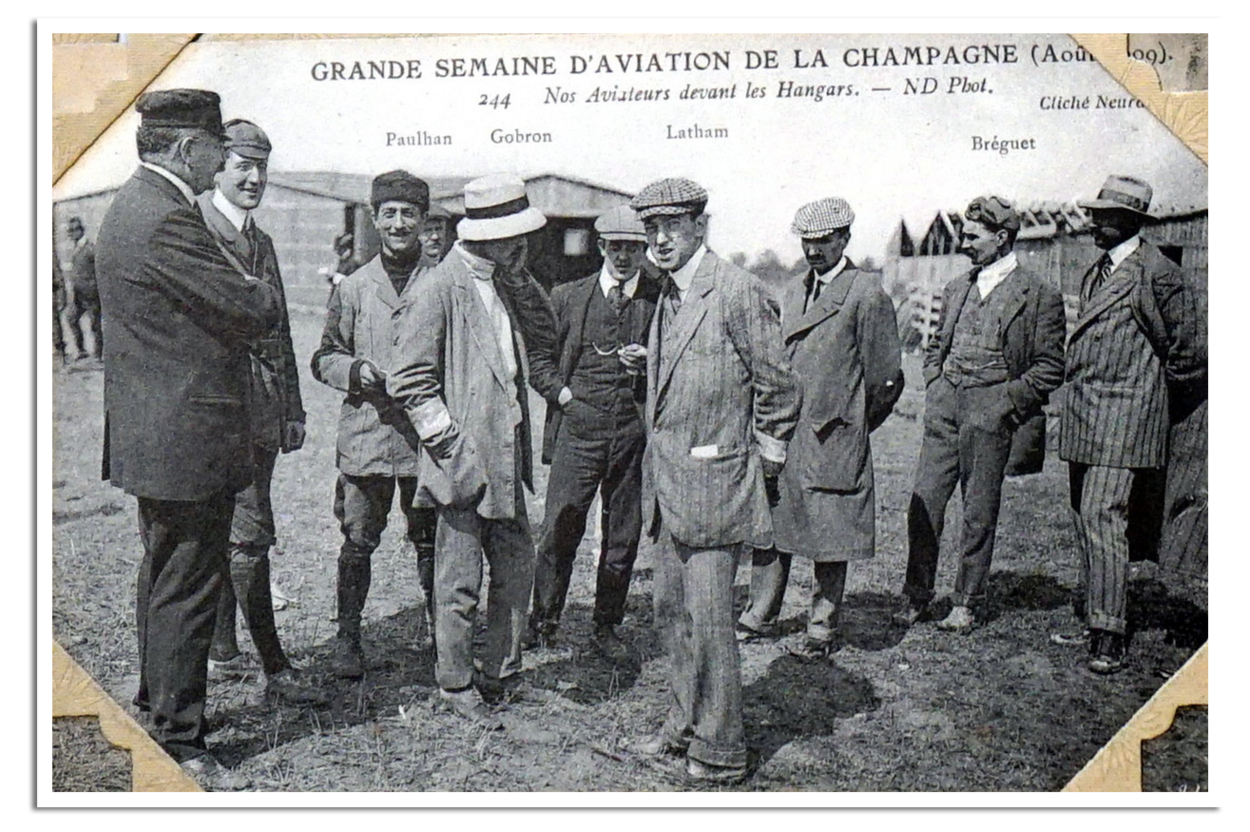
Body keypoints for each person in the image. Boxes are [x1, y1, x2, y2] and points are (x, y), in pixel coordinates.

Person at [96, 88, 279, 789]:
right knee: (188, 585)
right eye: (215, 149)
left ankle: (156, 708)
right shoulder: (167, 218)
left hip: (159, 435)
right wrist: (251, 288)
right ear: (185, 148)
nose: (221, 161)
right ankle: (179, 740)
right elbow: (253, 305)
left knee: (165, 575)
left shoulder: (134, 205)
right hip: (186, 439)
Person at [624, 178, 801, 784]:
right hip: (667, 486)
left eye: (672, 226)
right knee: (670, 613)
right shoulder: (668, 293)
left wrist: (762, 464)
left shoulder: (736, 289)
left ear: (700, 226)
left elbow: (779, 387)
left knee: (710, 622)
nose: (660, 239)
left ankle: (723, 749)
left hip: (714, 486)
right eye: (651, 228)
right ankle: (683, 724)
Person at [387, 173, 549, 730]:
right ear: (487, 234)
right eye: (513, 235)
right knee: (458, 580)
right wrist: (453, 447)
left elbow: (543, 335)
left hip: (506, 457)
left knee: (515, 567)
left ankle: (501, 671)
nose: (521, 244)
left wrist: (521, 277)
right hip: (462, 462)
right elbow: (409, 381)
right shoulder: (438, 287)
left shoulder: (503, 281)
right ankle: (455, 682)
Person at [737, 198, 902, 659]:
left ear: (845, 238)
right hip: (786, 432)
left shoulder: (865, 293)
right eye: (807, 241)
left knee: (832, 532)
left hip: (833, 435)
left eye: (824, 241)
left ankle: (821, 627)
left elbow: (885, 379)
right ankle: (759, 613)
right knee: (772, 525)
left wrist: (851, 422)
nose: (813, 250)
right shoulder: (793, 291)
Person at [1053, 175, 1206, 673]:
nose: (1093, 224)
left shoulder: (1158, 273)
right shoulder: (1096, 270)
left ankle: (1109, 633)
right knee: (1084, 515)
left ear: (1131, 221)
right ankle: (1094, 611)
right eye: (1093, 215)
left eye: (1105, 217)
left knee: (1103, 515)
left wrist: (1151, 404)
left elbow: (1191, 356)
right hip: (1084, 415)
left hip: (1124, 420)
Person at [894, 196, 1066, 632]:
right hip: (945, 409)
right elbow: (937, 345)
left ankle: (966, 602)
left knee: (978, 513)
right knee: (924, 503)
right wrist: (936, 382)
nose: (964, 243)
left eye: (973, 236)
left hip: (991, 416)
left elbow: (1050, 367)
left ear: (1001, 237)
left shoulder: (1039, 295)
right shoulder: (957, 288)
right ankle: (916, 595)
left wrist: (1005, 401)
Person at [197, 119, 323, 705]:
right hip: (214, 411)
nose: (254, 178)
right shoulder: (195, 229)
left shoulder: (263, 241)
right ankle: (276, 668)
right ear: (217, 167)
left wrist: (292, 406)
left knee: (239, 528)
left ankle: (223, 651)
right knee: (247, 535)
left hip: (262, 411)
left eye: (262, 167)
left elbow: (281, 330)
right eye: (242, 166)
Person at [310, 170, 439, 679]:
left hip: (427, 439)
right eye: (389, 214)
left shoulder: (444, 282)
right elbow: (324, 356)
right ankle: (348, 638)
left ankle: (442, 635)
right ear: (374, 218)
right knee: (358, 539)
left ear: (424, 220)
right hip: (368, 437)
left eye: (409, 214)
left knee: (431, 541)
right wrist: (356, 371)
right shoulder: (355, 287)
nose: (399, 223)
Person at [526, 205, 662, 659]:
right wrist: (564, 397)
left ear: (644, 251)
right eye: (616, 247)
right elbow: (538, 361)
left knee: (623, 535)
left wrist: (650, 363)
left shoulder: (660, 301)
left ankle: (606, 625)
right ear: (601, 247)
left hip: (632, 434)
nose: (624, 257)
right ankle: (543, 620)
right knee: (560, 527)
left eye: (633, 249)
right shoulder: (568, 296)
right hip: (578, 430)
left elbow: (680, 361)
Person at [65, 216, 103, 361]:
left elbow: (99, 269)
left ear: (81, 230)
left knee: (95, 325)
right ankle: (81, 350)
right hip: (78, 295)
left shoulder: (90, 248)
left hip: (91, 294)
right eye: (70, 231)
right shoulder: (75, 249)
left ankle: (98, 354)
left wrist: (95, 286)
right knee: (71, 318)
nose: (72, 234)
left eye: (75, 230)